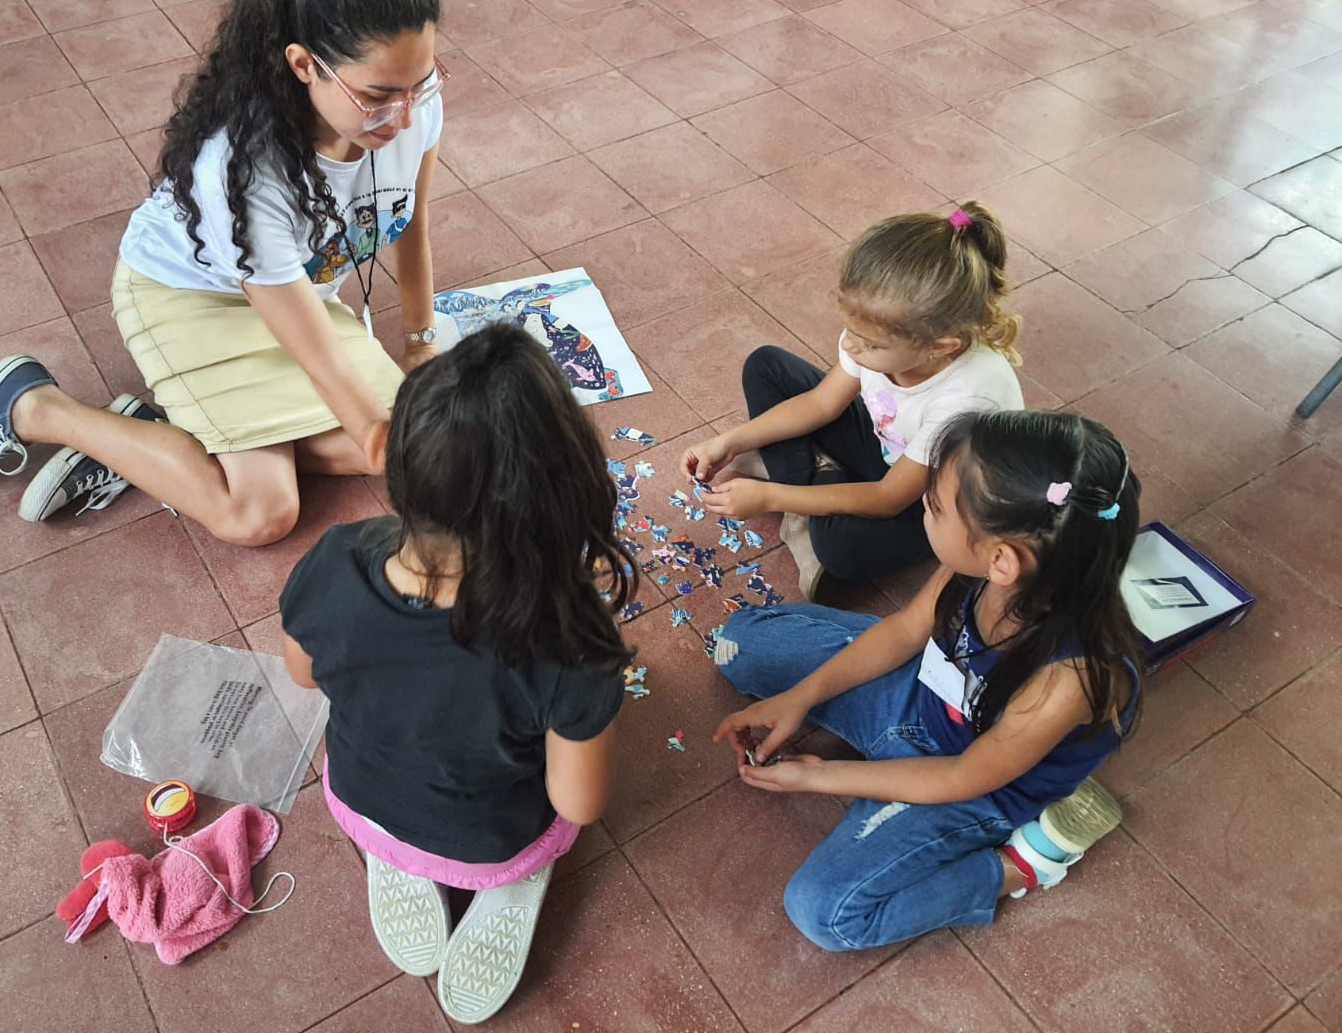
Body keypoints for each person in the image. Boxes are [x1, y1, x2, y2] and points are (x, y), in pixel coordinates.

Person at [0, 0, 446, 545]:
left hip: (295, 298)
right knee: (262, 513)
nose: (407, 116)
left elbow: (409, 218)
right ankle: (37, 409)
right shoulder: (243, 171)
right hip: (190, 299)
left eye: (420, 84)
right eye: (379, 95)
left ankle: (160, 440)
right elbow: (331, 377)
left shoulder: (415, 107)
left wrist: (421, 343)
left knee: (399, 442)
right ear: (305, 65)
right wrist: (426, 462)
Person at [279, 322, 634, 1025]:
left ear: (399, 469)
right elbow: (579, 804)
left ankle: (400, 856)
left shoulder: (333, 557)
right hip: (495, 837)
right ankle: (510, 882)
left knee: (404, 798)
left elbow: (302, 675)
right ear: (558, 493)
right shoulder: (569, 638)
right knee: (533, 831)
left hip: (362, 799)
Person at [712, 409, 1143, 951]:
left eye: (935, 507)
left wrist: (819, 777)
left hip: (973, 783)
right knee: (739, 644)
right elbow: (903, 631)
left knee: (825, 913)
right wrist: (800, 699)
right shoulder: (979, 565)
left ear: (1002, 559)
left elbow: (961, 777)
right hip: (916, 701)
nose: (923, 507)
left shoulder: (1072, 677)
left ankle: (1025, 865)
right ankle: (854, 729)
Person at [683, 202, 1024, 598]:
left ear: (939, 347)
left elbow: (888, 498)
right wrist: (731, 441)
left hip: (932, 500)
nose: (851, 345)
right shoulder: (876, 337)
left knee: (841, 549)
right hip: (888, 449)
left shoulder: (969, 397)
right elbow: (820, 404)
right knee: (766, 367)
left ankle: (801, 499)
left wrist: (769, 497)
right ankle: (811, 487)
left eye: (871, 344)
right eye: (849, 329)